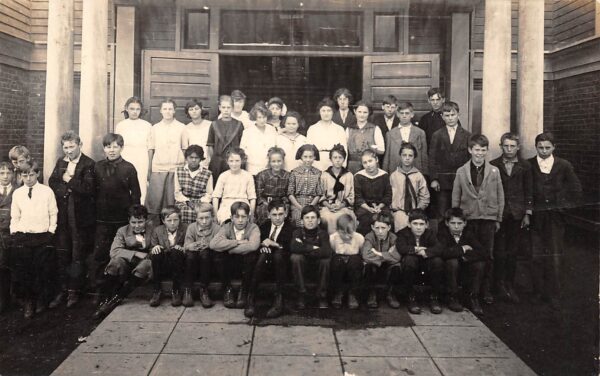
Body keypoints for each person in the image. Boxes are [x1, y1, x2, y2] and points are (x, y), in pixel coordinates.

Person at [528, 132, 582, 309]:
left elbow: (576, 190)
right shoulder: (529, 165)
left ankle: (554, 294)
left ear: (554, 147)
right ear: (536, 147)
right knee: (536, 255)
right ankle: (537, 291)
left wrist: (562, 207)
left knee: (554, 256)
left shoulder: (563, 165)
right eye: (540, 148)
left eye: (547, 148)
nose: (543, 151)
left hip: (555, 219)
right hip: (536, 218)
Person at [452, 134, 504, 305]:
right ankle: (468, 290)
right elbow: (456, 196)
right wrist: (457, 219)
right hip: (469, 218)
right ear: (470, 150)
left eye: (483, 150)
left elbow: (499, 195)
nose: (480, 153)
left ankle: (485, 290)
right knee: (469, 253)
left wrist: (498, 218)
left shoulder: (494, 171)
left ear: (487, 151)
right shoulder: (462, 171)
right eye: (476, 150)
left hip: (488, 218)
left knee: (488, 254)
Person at [91, 133, 141, 305]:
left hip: (121, 220)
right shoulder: (97, 167)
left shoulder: (128, 168)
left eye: (115, 146)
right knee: (100, 254)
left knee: (121, 255)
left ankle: (117, 290)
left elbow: (136, 195)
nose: (111, 150)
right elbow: (92, 192)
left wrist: (132, 219)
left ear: (121, 147)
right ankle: (100, 290)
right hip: (102, 219)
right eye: (108, 147)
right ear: (104, 148)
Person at [48, 131, 96, 308]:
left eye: (71, 147)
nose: (68, 151)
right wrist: (66, 190)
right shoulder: (61, 162)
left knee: (77, 254)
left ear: (80, 145)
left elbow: (88, 188)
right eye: (65, 147)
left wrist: (69, 181)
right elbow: (53, 181)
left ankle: (74, 292)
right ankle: (62, 290)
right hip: (63, 215)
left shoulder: (89, 164)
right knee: (62, 252)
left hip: (79, 217)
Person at [10, 161, 58, 318]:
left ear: (37, 174)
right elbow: (15, 215)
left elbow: (53, 213)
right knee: (25, 271)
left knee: (42, 270)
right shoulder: (18, 193)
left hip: (42, 236)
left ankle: (41, 301)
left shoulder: (47, 192)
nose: (28, 178)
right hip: (23, 236)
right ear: (20, 176)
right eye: (25, 175)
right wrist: (15, 232)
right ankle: (29, 302)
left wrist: (50, 232)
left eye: (31, 174)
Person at [490, 133, 533, 303]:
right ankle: (497, 285)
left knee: (513, 252)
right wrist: (494, 216)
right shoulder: (493, 165)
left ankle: (509, 284)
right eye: (506, 146)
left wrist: (527, 213)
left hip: (517, 214)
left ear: (518, 147)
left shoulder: (525, 166)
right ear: (501, 146)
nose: (509, 149)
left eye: (512, 146)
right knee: (499, 251)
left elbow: (529, 190)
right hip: (500, 214)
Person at [93, 204, 154, 319]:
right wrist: (135, 253)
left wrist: (146, 255)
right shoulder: (122, 231)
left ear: (146, 220)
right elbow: (114, 251)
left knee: (147, 264)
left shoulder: (153, 230)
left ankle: (118, 297)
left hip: (143, 264)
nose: (137, 226)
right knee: (115, 262)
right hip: (127, 264)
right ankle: (106, 297)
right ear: (129, 221)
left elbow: (154, 249)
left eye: (140, 222)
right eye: (133, 222)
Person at [247, 199, 295, 318]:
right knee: (262, 254)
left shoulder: (291, 228)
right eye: (274, 215)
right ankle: (251, 297)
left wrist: (274, 244)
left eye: (280, 214)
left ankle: (279, 299)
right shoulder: (264, 226)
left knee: (278, 254)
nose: (278, 218)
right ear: (268, 215)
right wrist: (263, 247)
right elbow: (258, 242)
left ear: (285, 214)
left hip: (282, 267)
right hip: (265, 267)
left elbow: (290, 248)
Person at [209, 201, 260, 312]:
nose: (240, 220)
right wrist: (237, 242)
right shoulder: (226, 227)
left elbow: (253, 246)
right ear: (232, 218)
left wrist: (229, 249)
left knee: (251, 255)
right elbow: (213, 244)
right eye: (237, 217)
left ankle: (244, 290)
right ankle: (227, 289)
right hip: (229, 266)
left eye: (243, 217)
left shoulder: (253, 228)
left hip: (245, 266)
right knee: (218, 255)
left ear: (248, 217)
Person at [438, 208, 487, 315]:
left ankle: (473, 297)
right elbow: (442, 252)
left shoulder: (468, 233)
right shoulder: (442, 233)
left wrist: (464, 257)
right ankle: (452, 297)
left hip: (465, 267)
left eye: (459, 223)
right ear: (447, 223)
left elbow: (483, 252)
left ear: (464, 223)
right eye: (453, 223)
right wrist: (463, 249)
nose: (456, 226)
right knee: (452, 262)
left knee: (479, 264)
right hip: (448, 269)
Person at [396, 209, 444, 315]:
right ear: (409, 224)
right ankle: (411, 297)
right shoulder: (403, 233)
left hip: (425, 264)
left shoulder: (429, 233)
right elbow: (401, 247)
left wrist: (426, 252)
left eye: (422, 224)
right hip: (410, 265)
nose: (418, 227)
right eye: (415, 224)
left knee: (437, 261)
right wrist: (417, 249)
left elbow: (439, 247)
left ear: (426, 225)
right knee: (409, 260)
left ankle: (434, 296)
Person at [429, 101, 471, 220]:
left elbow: (469, 159)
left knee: (460, 213)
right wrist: (434, 179)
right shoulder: (437, 135)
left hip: (461, 180)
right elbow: (432, 158)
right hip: (442, 182)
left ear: (458, 115)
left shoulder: (467, 135)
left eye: (453, 115)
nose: (450, 118)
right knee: (443, 213)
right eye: (447, 115)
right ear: (442, 117)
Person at [146, 98, 186, 222]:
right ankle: (155, 227)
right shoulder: (155, 128)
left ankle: (171, 225)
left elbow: (184, 148)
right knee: (156, 200)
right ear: (160, 111)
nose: (167, 111)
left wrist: (182, 168)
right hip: (158, 168)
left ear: (174, 111)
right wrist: (150, 169)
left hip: (175, 168)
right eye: (165, 109)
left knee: (171, 200)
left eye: (170, 109)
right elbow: (151, 149)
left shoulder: (181, 127)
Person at [289, 205, 332, 309]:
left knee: (325, 261)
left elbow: (326, 251)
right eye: (307, 218)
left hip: (318, 267)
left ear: (318, 221)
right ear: (302, 221)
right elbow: (294, 247)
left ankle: (321, 296)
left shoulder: (323, 234)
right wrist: (313, 247)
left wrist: (304, 248)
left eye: (313, 218)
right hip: (302, 266)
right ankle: (301, 294)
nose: (310, 221)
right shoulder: (297, 232)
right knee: (296, 257)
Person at [115, 96, 152, 203]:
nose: (135, 112)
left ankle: (139, 212)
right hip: (125, 156)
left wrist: (149, 167)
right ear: (126, 109)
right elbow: (117, 145)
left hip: (141, 158)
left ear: (141, 110)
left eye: (137, 109)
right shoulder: (121, 125)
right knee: (124, 183)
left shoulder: (147, 125)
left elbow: (150, 148)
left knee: (141, 184)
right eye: (132, 109)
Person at [361, 212, 402, 309]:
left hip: (387, 267)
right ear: (372, 227)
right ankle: (372, 293)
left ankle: (390, 293)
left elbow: (397, 256)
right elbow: (366, 255)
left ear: (389, 227)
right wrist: (387, 256)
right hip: (376, 265)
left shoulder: (393, 238)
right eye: (377, 228)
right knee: (368, 266)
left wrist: (379, 254)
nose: (380, 231)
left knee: (397, 267)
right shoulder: (369, 237)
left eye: (383, 228)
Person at [183, 203, 220, 308]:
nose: (204, 221)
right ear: (196, 218)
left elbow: (219, 245)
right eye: (201, 218)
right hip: (193, 264)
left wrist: (208, 245)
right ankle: (188, 289)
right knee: (190, 255)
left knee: (205, 253)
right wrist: (192, 246)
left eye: (207, 218)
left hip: (208, 264)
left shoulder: (217, 228)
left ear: (212, 217)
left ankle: (204, 290)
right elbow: (186, 245)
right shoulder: (191, 228)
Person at [149, 206, 187, 307]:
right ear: (163, 220)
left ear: (180, 219)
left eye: (176, 220)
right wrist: (155, 247)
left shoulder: (186, 228)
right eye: (169, 220)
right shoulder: (157, 230)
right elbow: (151, 248)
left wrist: (183, 248)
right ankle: (157, 290)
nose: (173, 223)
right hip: (163, 264)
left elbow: (190, 243)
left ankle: (176, 290)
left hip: (180, 263)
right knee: (157, 252)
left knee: (176, 251)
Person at [389, 142, 430, 232]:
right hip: (399, 211)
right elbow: (389, 196)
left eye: (410, 156)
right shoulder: (394, 176)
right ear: (400, 156)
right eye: (404, 155)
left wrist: (417, 210)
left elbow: (425, 197)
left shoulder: (419, 176)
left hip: (416, 210)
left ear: (414, 157)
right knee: (401, 227)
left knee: (419, 228)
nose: (407, 158)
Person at [212, 148, 256, 224]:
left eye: (237, 161)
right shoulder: (223, 176)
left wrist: (251, 215)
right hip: (226, 205)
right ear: (227, 162)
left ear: (242, 161)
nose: (234, 164)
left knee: (241, 221)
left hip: (243, 204)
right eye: (231, 161)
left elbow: (252, 197)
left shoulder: (248, 176)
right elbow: (215, 196)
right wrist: (215, 215)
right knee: (226, 222)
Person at [383, 102, 428, 175]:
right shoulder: (390, 134)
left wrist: (425, 175)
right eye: (402, 113)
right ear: (397, 114)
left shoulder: (420, 133)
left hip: (415, 171)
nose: (404, 116)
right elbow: (386, 158)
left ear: (412, 114)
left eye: (407, 113)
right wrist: (385, 174)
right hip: (395, 171)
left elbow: (424, 156)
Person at [329, 214, 364, 310]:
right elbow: (332, 251)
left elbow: (361, 253)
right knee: (336, 260)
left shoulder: (359, 238)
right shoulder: (333, 238)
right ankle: (338, 292)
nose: (347, 236)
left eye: (350, 232)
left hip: (353, 267)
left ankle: (352, 293)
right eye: (343, 232)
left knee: (355, 261)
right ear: (337, 230)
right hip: (339, 267)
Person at [353, 149, 392, 235]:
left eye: (370, 161)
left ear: (376, 160)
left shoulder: (384, 175)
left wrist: (379, 207)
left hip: (381, 207)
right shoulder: (358, 176)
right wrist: (368, 208)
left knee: (386, 219)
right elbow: (358, 197)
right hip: (364, 208)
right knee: (365, 220)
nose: (368, 165)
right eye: (365, 162)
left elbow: (388, 195)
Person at [207, 95, 244, 182]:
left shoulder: (238, 124)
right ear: (220, 108)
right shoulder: (214, 124)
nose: (226, 110)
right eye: (223, 107)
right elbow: (210, 145)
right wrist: (215, 160)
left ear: (232, 108)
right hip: (218, 162)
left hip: (233, 162)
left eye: (228, 107)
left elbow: (242, 145)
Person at [319, 144, 355, 234]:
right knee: (327, 218)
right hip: (328, 206)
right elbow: (321, 194)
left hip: (343, 206)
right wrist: (329, 205)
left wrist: (341, 205)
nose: (338, 160)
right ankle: (331, 242)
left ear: (344, 159)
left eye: (340, 157)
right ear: (331, 159)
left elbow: (351, 195)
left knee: (345, 217)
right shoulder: (324, 175)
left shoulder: (349, 175)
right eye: (335, 157)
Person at [174, 145, 213, 224]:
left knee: (201, 212)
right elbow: (177, 192)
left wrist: (199, 203)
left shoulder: (207, 173)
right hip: (184, 201)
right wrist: (187, 202)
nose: (193, 160)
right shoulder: (179, 171)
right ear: (186, 158)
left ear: (201, 159)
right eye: (191, 157)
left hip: (201, 202)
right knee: (183, 211)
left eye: (197, 158)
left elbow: (209, 194)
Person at [306, 97, 348, 171]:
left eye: (329, 111)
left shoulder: (339, 129)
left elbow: (344, 149)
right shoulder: (312, 128)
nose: (326, 113)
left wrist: (342, 166)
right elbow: (308, 150)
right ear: (319, 112)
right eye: (323, 111)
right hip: (317, 163)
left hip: (334, 163)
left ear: (333, 112)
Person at [287, 144, 323, 227]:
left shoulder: (318, 173)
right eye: (305, 157)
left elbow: (318, 194)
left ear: (314, 157)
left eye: (311, 157)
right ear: (301, 157)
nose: (308, 160)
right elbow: (290, 193)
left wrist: (310, 206)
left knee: (312, 220)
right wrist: (299, 207)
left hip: (313, 203)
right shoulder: (294, 172)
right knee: (298, 219)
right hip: (297, 204)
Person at [346, 101, 385, 173]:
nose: (362, 115)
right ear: (355, 111)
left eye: (365, 112)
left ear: (369, 113)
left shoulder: (375, 128)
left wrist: (371, 147)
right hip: (353, 165)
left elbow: (382, 150)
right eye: (359, 112)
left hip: (370, 165)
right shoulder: (349, 129)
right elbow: (345, 148)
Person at [255, 147, 290, 225]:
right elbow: (259, 196)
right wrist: (267, 204)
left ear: (283, 161)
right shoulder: (262, 175)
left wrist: (283, 203)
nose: (276, 164)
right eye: (273, 161)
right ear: (269, 162)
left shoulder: (288, 176)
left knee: (284, 212)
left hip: (281, 202)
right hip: (266, 202)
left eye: (279, 161)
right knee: (264, 212)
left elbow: (288, 194)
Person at [240, 102, 278, 175]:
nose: (262, 120)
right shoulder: (247, 131)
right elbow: (243, 149)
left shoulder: (272, 129)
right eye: (259, 117)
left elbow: (276, 147)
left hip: (269, 166)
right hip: (253, 167)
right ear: (255, 117)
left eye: (264, 117)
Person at [0, 162, 16, 312]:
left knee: (7, 267)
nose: (5, 177)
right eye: (2, 173)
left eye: (8, 173)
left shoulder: (17, 191)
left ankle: (7, 299)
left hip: (10, 235)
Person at [182, 99, 213, 168]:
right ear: (188, 112)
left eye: (196, 109)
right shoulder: (186, 128)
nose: (194, 111)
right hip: (193, 163)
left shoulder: (210, 125)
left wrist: (210, 159)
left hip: (208, 162)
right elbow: (185, 148)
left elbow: (213, 145)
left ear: (201, 110)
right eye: (191, 109)